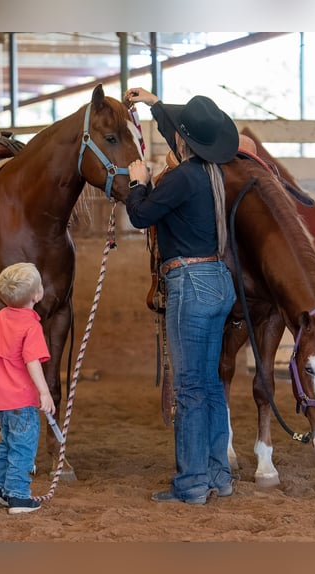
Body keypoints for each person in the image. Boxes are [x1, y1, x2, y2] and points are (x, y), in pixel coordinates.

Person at [124, 87, 239, 505]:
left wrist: (140, 183)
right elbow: (181, 134)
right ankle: (217, 475)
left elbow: (140, 215)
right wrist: (155, 105)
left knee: (189, 387)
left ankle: (191, 483)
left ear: (184, 143)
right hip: (216, 281)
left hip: (188, 283)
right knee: (209, 385)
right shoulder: (211, 174)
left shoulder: (179, 179)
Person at [0, 262, 55, 515]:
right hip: (22, 401)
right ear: (37, 295)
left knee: (6, 444)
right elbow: (32, 361)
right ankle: (19, 497)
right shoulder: (31, 326)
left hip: (1, 401)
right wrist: (44, 392)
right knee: (23, 448)